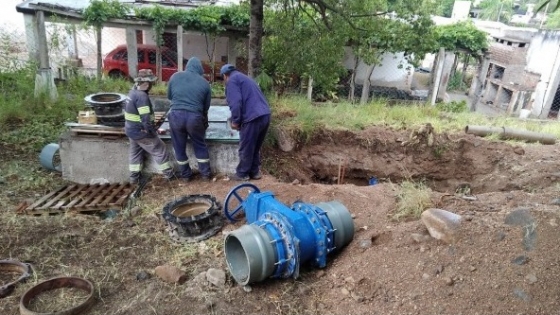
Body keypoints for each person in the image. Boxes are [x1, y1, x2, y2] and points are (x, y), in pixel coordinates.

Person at [220, 64, 271, 181]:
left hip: (252, 117)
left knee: (246, 146)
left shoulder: (232, 81)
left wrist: (236, 121)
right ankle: (255, 172)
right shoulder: (246, 79)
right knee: (255, 146)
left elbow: (236, 102)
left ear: (225, 76)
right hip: (265, 115)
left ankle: (242, 174)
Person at [124, 69, 175, 184]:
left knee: (135, 153)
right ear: (146, 84)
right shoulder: (142, 97)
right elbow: (146, 118)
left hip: (130, 130)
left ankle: (134, 178)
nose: (151, 86)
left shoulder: (132, 93)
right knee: (160, 149)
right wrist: (152, 133)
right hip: (141, 132)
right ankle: (170, 175)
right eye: (151, 83)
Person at [167, 57, 212, 181]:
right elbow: (206, 107)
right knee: (200, 145)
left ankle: (186, 176)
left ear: (187, 66)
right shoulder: (204, 83)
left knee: (179, 147)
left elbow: (169, 96)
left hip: (176, 116)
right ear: (200, 69)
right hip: (194, 118)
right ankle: (205, 175)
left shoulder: (175, 77)